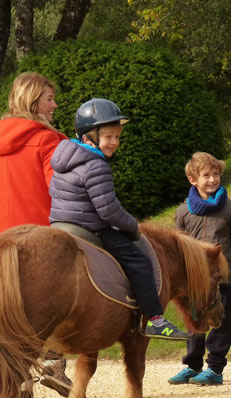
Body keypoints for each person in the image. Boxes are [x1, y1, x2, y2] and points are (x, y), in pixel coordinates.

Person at [48, 98, 191, 340]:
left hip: (60, 223)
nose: (115, 143)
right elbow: (108, 211)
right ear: (88, 137)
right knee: (138, 260)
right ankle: (155, 319)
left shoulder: (65, 159)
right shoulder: (96, 164)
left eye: (117, 137)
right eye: (108, 137)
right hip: (89, 227)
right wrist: (132, 226)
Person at [0, 72, 73, 398]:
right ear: (33, 102)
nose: (55, 105)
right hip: (43, 238)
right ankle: (52, 365)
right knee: (61, 302)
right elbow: (60, 190)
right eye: (49, 98)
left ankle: (20, 385)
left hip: (2, 242)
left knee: (11, 313)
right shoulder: (50, 140)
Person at [168, 152, 231, 386]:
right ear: (193, 180)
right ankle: (192, 365)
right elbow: (178, 247)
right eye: (206, 175)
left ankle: (215, 368)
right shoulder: (183, 212)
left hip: (223, 278)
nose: (212, 179)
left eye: (216, 174)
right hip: (194, 280)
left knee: (220, 321)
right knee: (194, 320)